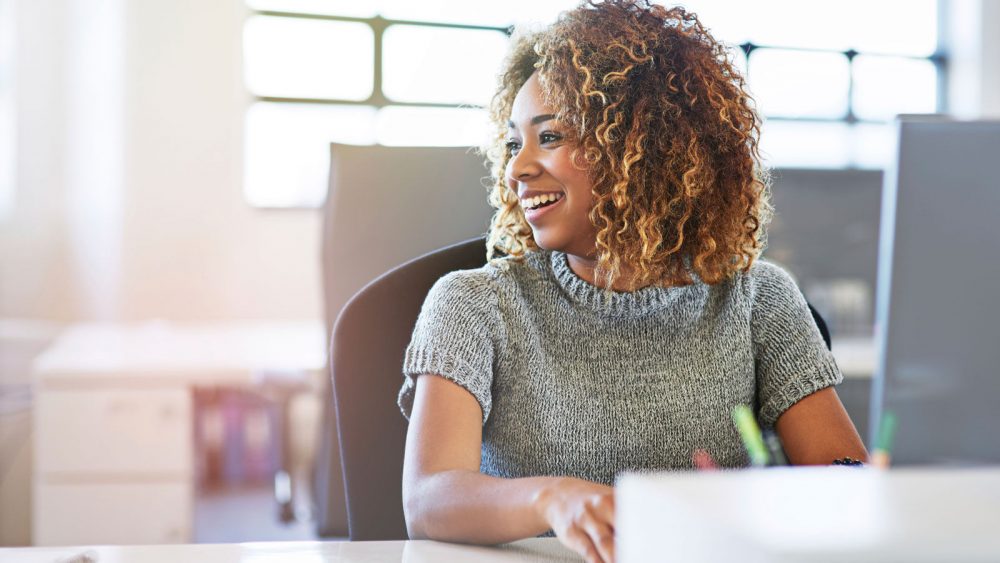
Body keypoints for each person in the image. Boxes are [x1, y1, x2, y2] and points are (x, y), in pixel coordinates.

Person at [397, 1, 868, 561]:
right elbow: (427, 501)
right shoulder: (474, 303)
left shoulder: (758, 298)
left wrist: (834, 491)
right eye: (512, 143)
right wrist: (553, 500)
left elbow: (845, 481)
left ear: (643, 147)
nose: (517, 167)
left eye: (550, 136)